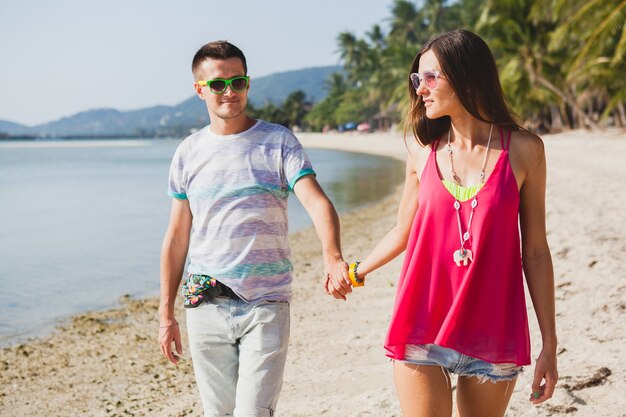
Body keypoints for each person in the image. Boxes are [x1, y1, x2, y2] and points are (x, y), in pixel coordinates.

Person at [326, 29, 558, 416]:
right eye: (417, 79)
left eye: (430, 78)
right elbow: (403, 231)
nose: (420, 90)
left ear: (467, 78)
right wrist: (354, 271)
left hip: (494, 330)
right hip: (422, 322)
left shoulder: (525, 150)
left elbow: (535, 251)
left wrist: (549, 343)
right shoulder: (421, 150)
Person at [158, 40, 350, 417]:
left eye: (238, 82)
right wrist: (166, 315)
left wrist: (333, 257)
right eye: (217, 85)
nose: (229, 92)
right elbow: (177, 237)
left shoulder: (278, 141)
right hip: (203, 304)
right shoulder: (188, 152)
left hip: (266, 303)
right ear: (200, 90)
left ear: (248, 84)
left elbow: (316, 202)